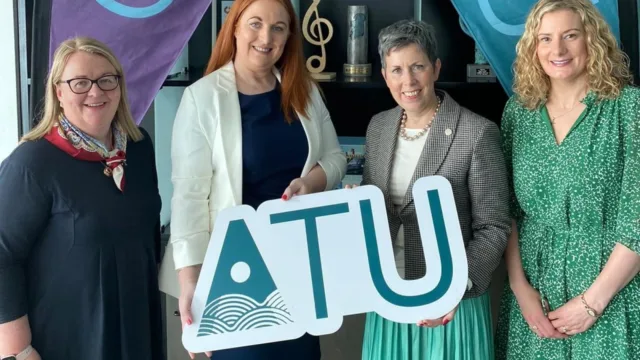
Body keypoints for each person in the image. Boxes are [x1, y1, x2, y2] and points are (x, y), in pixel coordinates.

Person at [158, 0, 347, 358]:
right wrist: (192, 285)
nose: (266, 36)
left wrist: (311, 183)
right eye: (255, 24)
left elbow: (336, 158)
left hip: (300, 270)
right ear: (235, 28)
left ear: (289, 36)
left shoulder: (304, 90)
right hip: (235, 275)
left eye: (278, 27)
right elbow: (189, 196)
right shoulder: (202, 98)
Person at [354, 19, 511, 360]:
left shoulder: (477, 133)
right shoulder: (378, 127)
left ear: (436, 68)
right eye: (396, 70)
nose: (407, 81)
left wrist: (455, 290)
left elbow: (494, 227)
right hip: (389, 295)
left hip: (450, 306)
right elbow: (371, 207)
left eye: (417, 67)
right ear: (384, 75)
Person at [0, 37, 163, 360]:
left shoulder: (139, 148)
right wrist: (18, 349)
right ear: (58, 93)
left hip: (136, 330)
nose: (96, 92)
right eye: (80, 83)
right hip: (67, 339)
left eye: (106, 80)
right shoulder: (32, 164)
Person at [495, 0, 640, 358]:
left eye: (570, 36)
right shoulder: (519, 112)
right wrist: (520, 289)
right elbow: (510, 211)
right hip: (534, 304)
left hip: (611, 297)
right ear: (533, 48)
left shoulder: (628, 109)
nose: (556, 49)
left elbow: (637, 220)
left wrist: (592, 303)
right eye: (545, 39)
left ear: (593, 40)